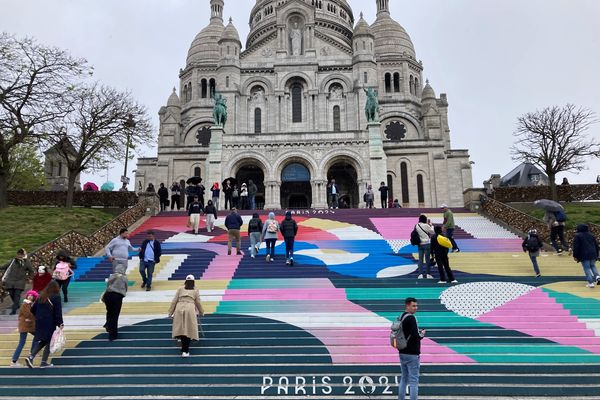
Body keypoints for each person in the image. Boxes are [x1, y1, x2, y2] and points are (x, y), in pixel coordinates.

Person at [25, 281, 63, 368]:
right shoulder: (56, 296)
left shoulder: (41, 296)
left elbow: (32, 309)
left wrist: (39, 316)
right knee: (49, 341)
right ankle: (43, 362)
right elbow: (58, 311)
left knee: (44, 340)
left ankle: (31, 357)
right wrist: (60, 323)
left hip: (40, 322)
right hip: (49, 322)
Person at [168, 275, 204, 357]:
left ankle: (183, 346)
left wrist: (170, 312)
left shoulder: (180, 288)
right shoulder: (195, 290)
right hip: (190, 309)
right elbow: (198, 302)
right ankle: (185, 350)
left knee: (181, 327)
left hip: (179, 307)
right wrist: (201, 311)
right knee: (188, 329)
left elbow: (174, 300)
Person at [397, 297, 425, 400]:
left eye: (416, 306)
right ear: (407, 306)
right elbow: (415, 336)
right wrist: (421, 334)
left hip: (402, 351)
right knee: (413, 381)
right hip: (412, 353)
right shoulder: (411, 318)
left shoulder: (401, 316)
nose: (416, 308)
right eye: (413, 306)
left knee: (404, 378)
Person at [2, 249, 34, 315]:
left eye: (21, 254)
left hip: (20, 281)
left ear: (23, 255)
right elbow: (4, 266)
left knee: (17, 295)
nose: (19, 255)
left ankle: (14, 310)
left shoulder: (26, 262)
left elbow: (31, 271)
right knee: (11, 294)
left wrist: (30, 278)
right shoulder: (13, 261)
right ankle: (17, 305)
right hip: (10, 281)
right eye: (18, 254)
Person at [11, 290, 38, 367]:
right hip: (24, 326)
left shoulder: (30, 304)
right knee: (22, 343)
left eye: (31, 295)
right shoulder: (25, 304)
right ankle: (14, 361)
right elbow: (28, 314)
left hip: (28, 325)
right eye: (29, 295)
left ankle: (32, 352)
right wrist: (36, 317)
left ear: (34, 297)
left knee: (36, 336)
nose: (30, 296)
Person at [102, 265, 128, 341]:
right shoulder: (124, 278)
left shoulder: (112, 276)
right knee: (115, 315)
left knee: (109, 312)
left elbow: (108, 285)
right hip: (117, 297)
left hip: (108, 295)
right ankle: (113, 335)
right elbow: (125, 288)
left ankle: (108, 325)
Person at [572, 224, 600, 288]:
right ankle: (597, 277)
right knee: (593, 266)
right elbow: (596, 245)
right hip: (593, 253)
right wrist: (597, 254)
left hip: (584, 254)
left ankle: (591, 283)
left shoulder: (577, 236)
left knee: (586, 268)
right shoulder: (591, 235)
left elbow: (576, 247)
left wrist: (575, 255)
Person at [415, 215, 435, 279]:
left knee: (420, 260)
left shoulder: (417, 225)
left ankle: (420, 274)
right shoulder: (426, 225)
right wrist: (431, 226)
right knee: (427, 260)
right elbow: (432, 232)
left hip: (420, 244)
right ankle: (428, 274)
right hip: (427, 244)